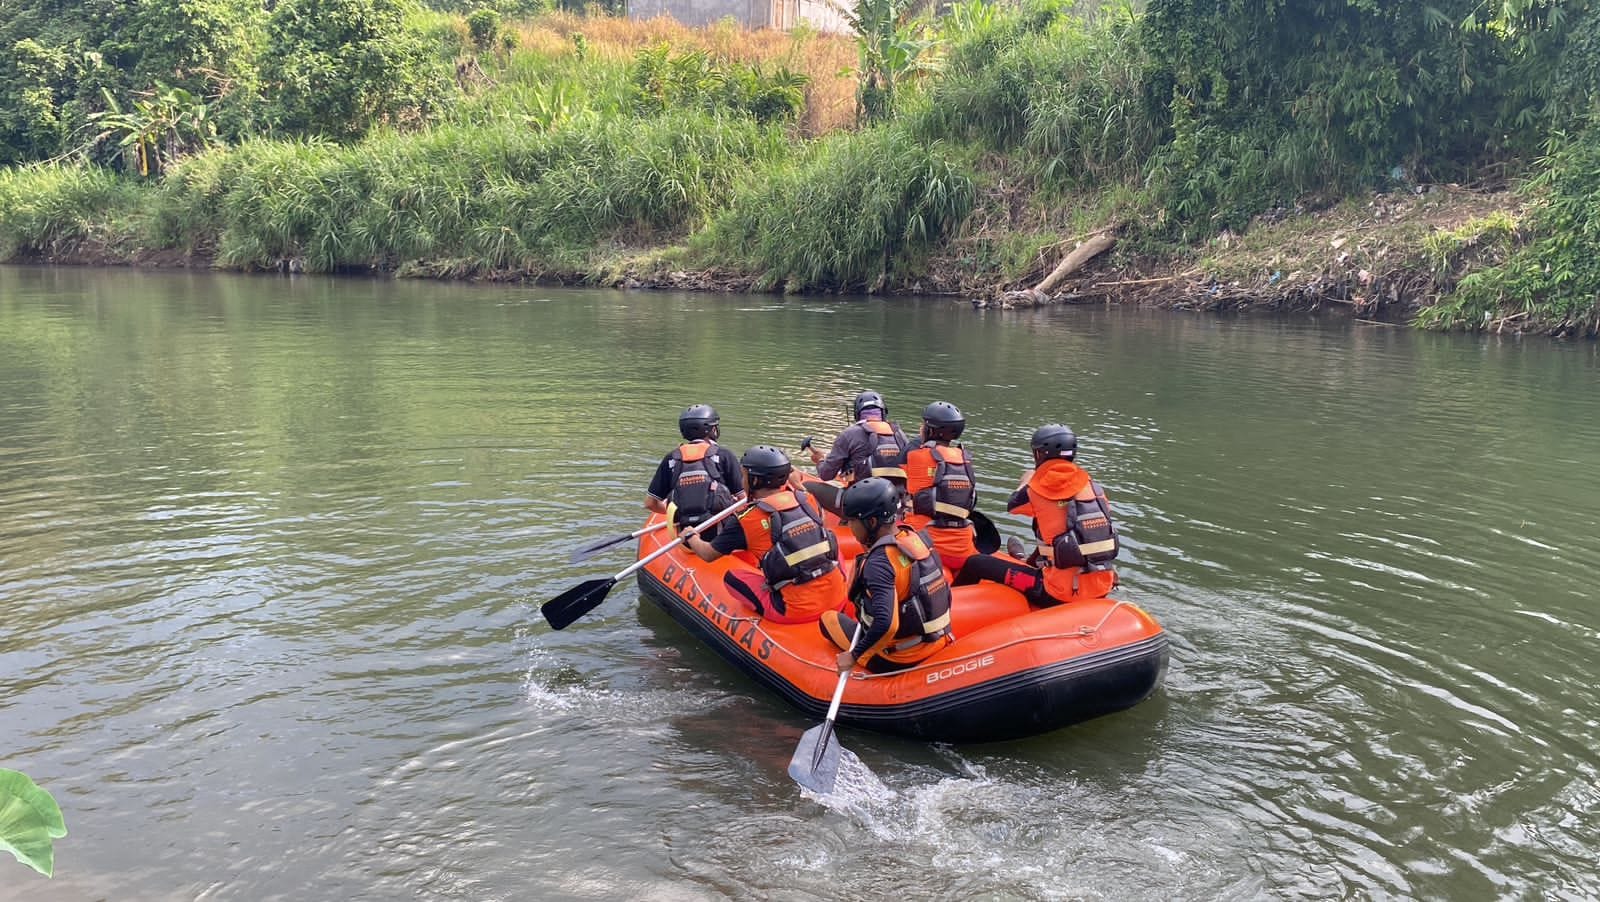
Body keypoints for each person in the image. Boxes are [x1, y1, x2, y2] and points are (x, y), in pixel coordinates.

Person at [954, 424, 1119, 605]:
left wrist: (1026, 481)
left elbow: (1013, 506)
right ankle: (1027, 563)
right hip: (1101, 587)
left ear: (1039, 454)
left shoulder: (1037, 488)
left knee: (975, 563)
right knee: (1055, 533)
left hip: (1056, 593)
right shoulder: (1095, 489)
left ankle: (951, 608)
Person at [682, 445, 847, 624]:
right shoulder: (807, 499)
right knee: (833, 550)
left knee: (732, 578)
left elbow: (708, 554)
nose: (742, 479)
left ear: (754, 481)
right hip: (838, 599)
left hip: (794, 610)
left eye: (744, 475)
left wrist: (691, 536)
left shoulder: (745, 519)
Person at [819, 477, 954, 674]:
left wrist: (854, 655)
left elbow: (887, 624)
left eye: (853, 522)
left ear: (871, 522)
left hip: (899, 657)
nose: (850, 528)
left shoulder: (880, 562)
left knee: (827, 619)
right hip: (937, 641)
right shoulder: (916, 539)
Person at [899, 401, 980, 573]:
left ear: (929, 430)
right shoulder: (966, 460)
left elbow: (895, 481)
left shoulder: (915, 456)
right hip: (962, 550)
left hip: (924, 546)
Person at [645, 404, 744, 529]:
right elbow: (743, 500)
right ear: (712, 430)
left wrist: (675, 514)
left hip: (685, 535)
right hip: (721, 536)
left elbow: (650, 503)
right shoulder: (724, 455)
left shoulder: (671, 457)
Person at [808, 390, 909, 490]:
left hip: (860, 498)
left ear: (857, 414)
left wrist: (820, 460)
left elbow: (826, 475)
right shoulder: (899, 434)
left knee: (809, 486)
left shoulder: (849, 434)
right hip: (896, 498)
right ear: (883, 412)